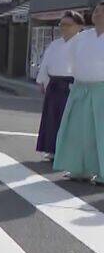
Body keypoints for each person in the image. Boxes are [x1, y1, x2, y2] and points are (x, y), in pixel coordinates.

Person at [54, 1, 104, 183]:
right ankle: (78, 168)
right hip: (81, 87)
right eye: (96, 11)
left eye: (102, 12)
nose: (98, 14)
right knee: (78, 131)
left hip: (101, 89)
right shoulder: (83, 37)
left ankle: (102, 172)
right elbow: (72, 59)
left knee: (100, 133)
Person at [36, 11, 84, 160]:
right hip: (54, 83)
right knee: (51, 118)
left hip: (71, 84)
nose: (64, 27)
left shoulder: (82, 43)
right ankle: (52, 149)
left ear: (79, 26)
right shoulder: (55, 44)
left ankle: (68, 152)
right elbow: (46, 63)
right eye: (61, 24)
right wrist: (42, 80)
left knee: (68, 119)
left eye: (68, 25)